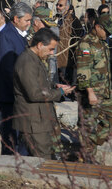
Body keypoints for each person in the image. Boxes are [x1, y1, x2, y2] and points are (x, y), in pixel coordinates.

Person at [13, 28, 74, 159]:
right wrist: (60, 92)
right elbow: (34, 94)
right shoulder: (27, 62)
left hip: (41, 119)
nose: (52, 53)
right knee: (42, 159)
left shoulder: (35, 59)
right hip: (33, 122)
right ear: (40, 45)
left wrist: (55, 86)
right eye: (51, 49)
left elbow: (39, 83)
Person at [75, 13, 112, 163]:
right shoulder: (86, 43)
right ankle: (87, 158)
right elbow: (83, 69)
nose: (108, 34)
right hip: (91, 94)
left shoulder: (103, 42)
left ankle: (86, 147)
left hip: (104, 93)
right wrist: (90, 93)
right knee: (88, 125)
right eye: (106, 31)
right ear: (98, 27)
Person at [0, 1, 33, 155]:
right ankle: (9, 161)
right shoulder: (6, 36)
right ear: (16, 19)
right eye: (27, 20)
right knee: (10, 133)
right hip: (10, 93)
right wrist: (20, 90)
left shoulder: (18, 35)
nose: (29, 23)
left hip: (18, 93)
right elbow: (8, 68)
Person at [55, 0, 84, 86]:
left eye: (60, 5)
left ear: (67, 7)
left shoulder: (73, 21)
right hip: (54, 57)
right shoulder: (55, 19)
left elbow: (78, 39)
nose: (58, 7)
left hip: (66, 59)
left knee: (65, 84)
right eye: (57, 5)